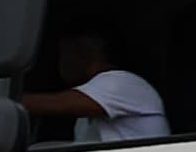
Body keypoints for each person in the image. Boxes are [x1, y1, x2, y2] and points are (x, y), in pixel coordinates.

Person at [16, 27, 170, 144]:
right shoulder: (89, 109)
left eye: (63, 56)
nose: (59, 65)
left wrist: (3, 101)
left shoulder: (122, 83)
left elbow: (58, 104)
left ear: (81, 54)